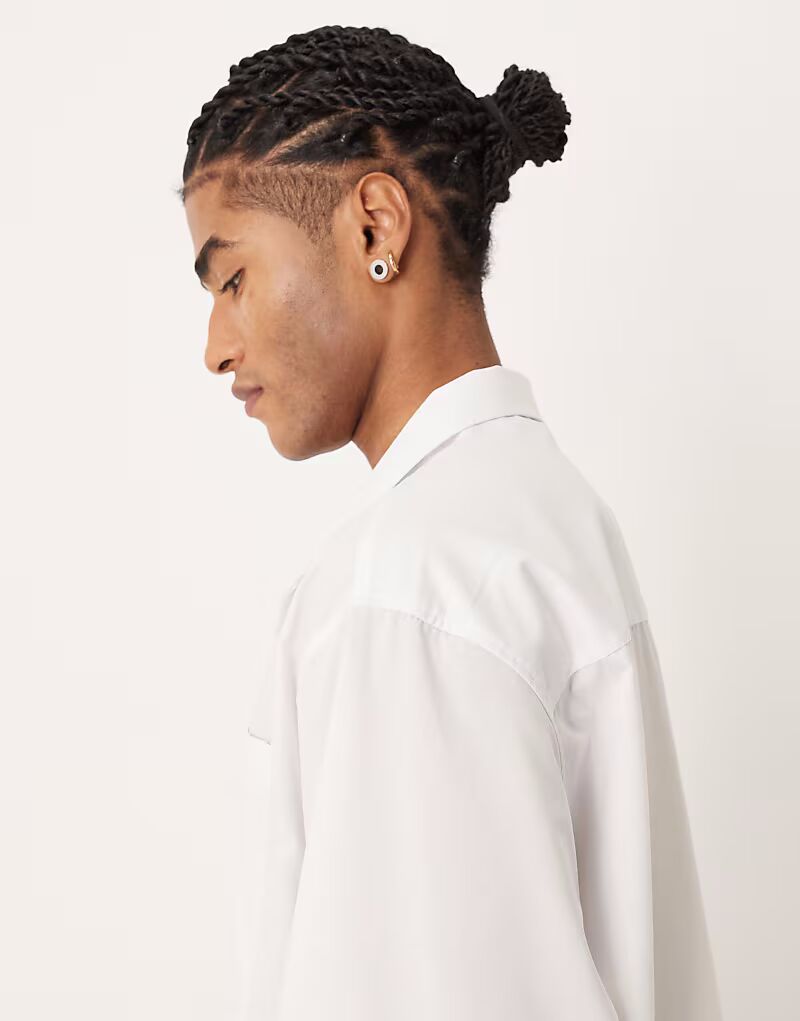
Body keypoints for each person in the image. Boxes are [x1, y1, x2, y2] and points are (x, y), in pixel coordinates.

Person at [179, 25, 723, 1021]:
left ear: (375, 227)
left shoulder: (407, 591)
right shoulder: (551, 518)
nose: (215, 345)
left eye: (233, 278)